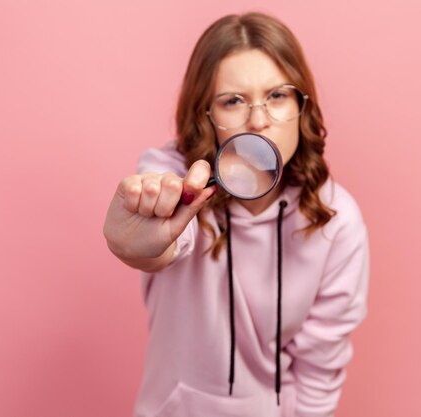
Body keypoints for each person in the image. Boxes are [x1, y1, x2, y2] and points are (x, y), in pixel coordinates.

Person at [103, 12, 370, 417]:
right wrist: (133, 240)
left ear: (302, 105)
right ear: (206, 116)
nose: (260, 120)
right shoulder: (175, 182)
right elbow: (155, 243)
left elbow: (320, 369)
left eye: (277, 95)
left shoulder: (337, 221)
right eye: (233, 101)